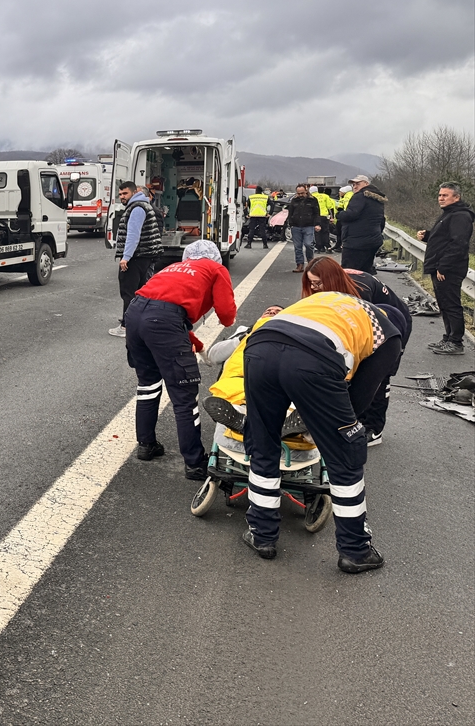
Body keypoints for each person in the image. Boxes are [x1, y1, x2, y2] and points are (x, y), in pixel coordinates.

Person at [241, 290, 402, 573]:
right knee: (346, 453)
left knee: (263, 441)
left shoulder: (335, 302)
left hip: (260, 346)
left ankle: (261, 534)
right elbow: (356, 404)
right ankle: (355, 550)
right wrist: (324, 426)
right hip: (313, 359)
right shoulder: (389, 336)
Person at [124, 239, 237, 479]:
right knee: (184, 396)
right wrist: (229, 324)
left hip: (135, 313)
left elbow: (164, 314)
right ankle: (195, 463)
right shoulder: (217, 269)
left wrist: (197, 345)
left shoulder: (173, 268)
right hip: (164, 321)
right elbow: (226, 314)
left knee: (148, 384)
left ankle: (146, 445)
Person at [303, 258, 411, 446]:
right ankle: (349, 417)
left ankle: (373, 428)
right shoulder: (328, 286)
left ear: (331, 279)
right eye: (310, 283)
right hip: (370, 319)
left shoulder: (359, 293)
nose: (314, 287)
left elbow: (359, 335)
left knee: (376, 375)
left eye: (318, 283)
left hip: (392, 324)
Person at [418, 182, 474, 356]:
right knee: (444, 304)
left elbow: (458, 244)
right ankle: (449, 338)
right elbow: (444, 240)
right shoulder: (449, 214)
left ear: (456, 197)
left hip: (449, 268)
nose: (441, 198)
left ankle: (456, 342)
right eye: (440, 195)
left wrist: (443, 266)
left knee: (451, 304)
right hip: (440, 266)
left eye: (445, 195)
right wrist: (428, 236)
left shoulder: (460, 216)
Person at [110, 181, 162, 338]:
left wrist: (126, 257)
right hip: (144, 256)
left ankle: (127, 327)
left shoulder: (137, 208)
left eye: (125, 193)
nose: (122, 197)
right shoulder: (144, 205)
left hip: (136, 257)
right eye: (120, 194)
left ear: (134, 192)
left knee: (128, 293)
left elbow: (133, 235)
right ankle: (140, 323)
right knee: (141, 291)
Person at [336, 175, 387, 274]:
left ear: (366, 184)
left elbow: (351, 214)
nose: (354, 186)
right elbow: (382, 220)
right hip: (373, 240)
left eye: (358, 184)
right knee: (365, 272)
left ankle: (351, 290)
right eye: (353, 184)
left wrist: (340, 214)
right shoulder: (378, 199)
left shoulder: (360, 196)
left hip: (356, 242)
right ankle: (367, 288)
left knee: (349, 273)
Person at [285, 184, 319, 272]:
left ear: (306, 191)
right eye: (298, 193)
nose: (300, 195)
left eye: (302, 193)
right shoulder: (294, 200)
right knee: (297, 247)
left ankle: (310, 263)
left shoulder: (312, 200)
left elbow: (316, 213)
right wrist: (290, 223)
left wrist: (317, 224)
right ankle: (299, 265)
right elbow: (290, 212)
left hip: (308, 225)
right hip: (296, 226)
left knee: (308, 244)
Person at [311, 185, 336, 253]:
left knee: (317, 232)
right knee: (325, 232)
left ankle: (319, 247)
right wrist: (332, 217)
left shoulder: (311, 197)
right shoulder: (325, 196)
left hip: (315, 217)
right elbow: (330, 207)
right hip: (324, 216)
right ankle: (327, 246)